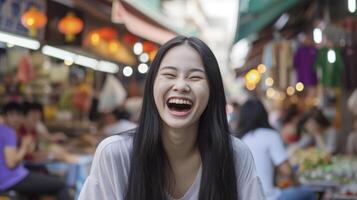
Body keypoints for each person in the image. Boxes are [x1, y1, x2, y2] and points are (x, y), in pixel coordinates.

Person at [79, 36, 264, 200]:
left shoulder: (235, 156)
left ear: (212, 91)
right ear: (152, 86)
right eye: (169, 75)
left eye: (195, 77)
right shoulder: (116, 154)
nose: (181, 85)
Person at [238, 99, 316, 200]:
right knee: (309, 193)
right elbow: (287, 170)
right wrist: (297, 183)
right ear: (264, 114)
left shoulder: (241, 140)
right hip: (267, 197)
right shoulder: (270, 135)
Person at [0, 102, 71, 199]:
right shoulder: (8, 132)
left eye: (18, 115)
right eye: (11, 115)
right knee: (61, 185)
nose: (16, 119)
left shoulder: (5, 131)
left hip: (11, 178)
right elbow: (11, 163)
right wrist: (24, 146)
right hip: (11, 179)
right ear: (4, 117)